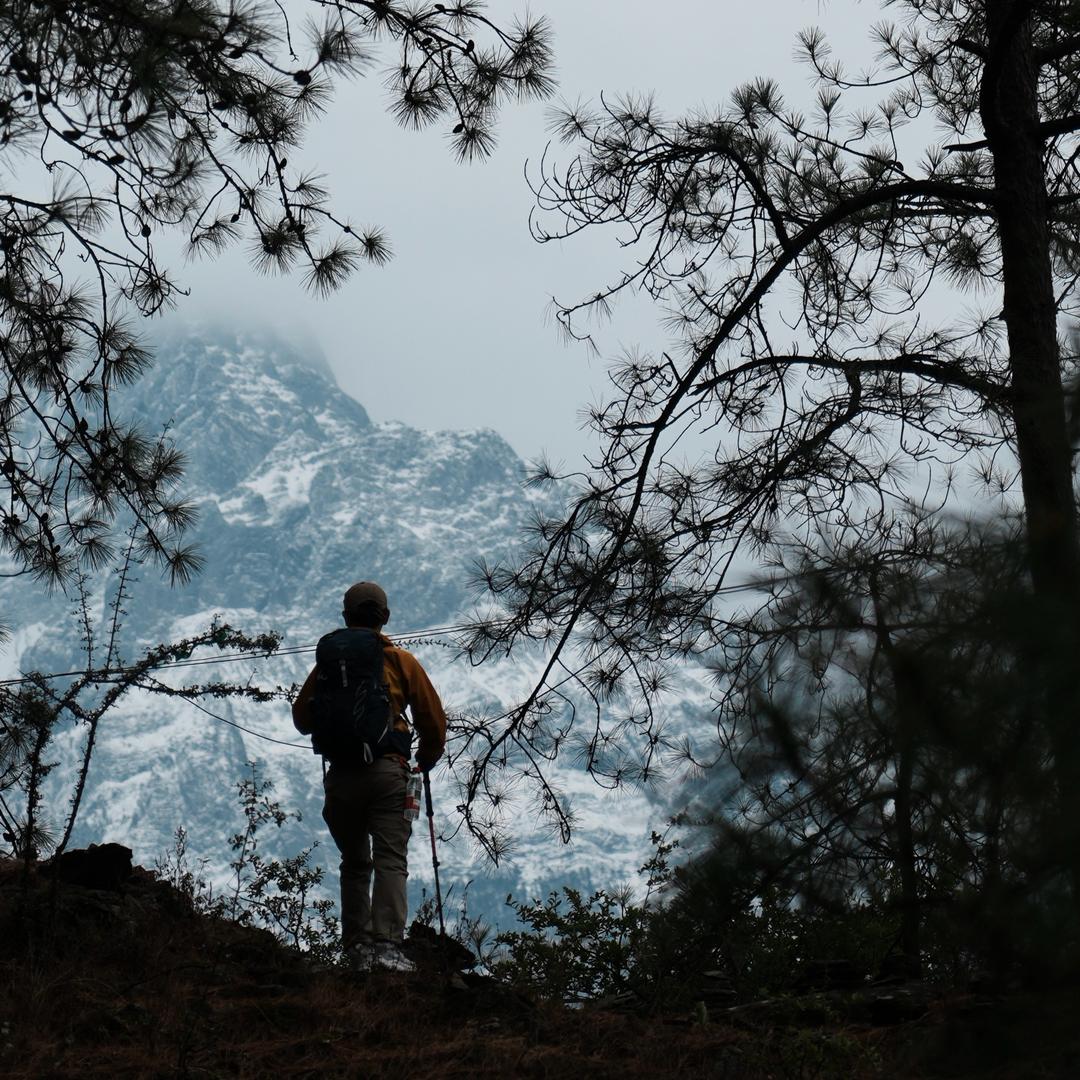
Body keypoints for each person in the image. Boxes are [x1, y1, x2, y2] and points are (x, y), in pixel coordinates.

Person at [292, 581, 446, 973]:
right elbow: (432, 721)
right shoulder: (399, 660)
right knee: (390, 859)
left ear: (345, 618)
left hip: (342, 777)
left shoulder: (327, 665)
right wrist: (425, 759)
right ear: (386, 618)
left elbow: (302, 720)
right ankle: (387, 947)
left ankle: (356, 948)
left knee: (354, 861)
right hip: (387, 773)